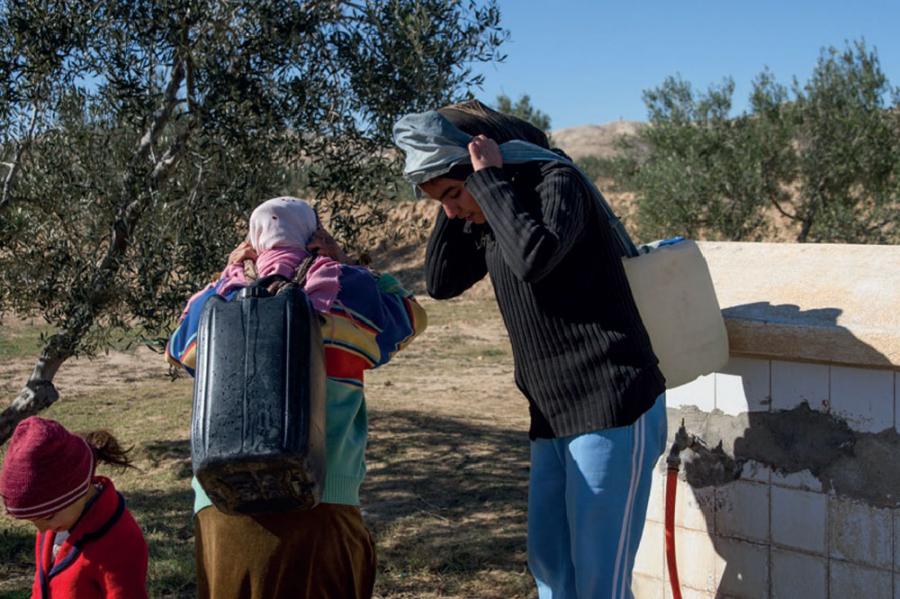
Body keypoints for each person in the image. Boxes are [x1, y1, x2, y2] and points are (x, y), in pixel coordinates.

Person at [393, 100, 667, 599]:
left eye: (453, 194)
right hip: (552, 416)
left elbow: (533, 257)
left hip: (614, 406)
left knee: (599, 586)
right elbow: (442, 281)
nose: (452, 210)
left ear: (484, 162)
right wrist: (456, 200)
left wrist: (486, 186)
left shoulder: (555, 184)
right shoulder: (491, 211)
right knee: (553, 578)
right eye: (439, 203)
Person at [166, 196, 427, 599]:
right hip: (324, 499)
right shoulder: (343, 289)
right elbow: (412, 315)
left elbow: (176, 348)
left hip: (223, 502)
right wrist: (347, 261)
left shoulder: (216, 302)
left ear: (254, 241)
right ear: (312, 236)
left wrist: (230, 271)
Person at [0, 416, 149, 599]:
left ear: (78, 490)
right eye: (33, 521)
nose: (41, 529)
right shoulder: (54, 523)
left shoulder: (121, 540)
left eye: (47, 517)